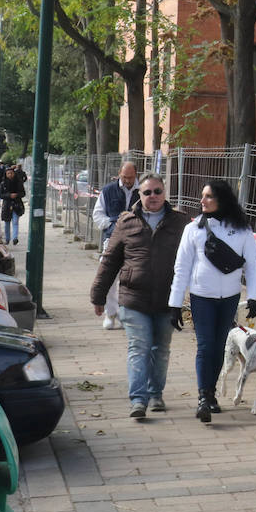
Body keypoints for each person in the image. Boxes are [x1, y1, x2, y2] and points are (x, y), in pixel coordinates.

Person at [90, 173, 190, 418]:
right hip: (133, 299)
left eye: (157, 191)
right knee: (139, 347)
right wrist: (98, 295)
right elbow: (110, 260)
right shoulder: (127, 222)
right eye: (147, 192)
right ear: (139, 195)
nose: (153, 196)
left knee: (161, 349)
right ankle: (138, 400)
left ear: (165, 194)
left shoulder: (181, 223)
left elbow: (194, 261)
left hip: (168, 300)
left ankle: (156, 394)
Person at [169, 179, 256, 423]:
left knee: (220, 345)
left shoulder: (242, 230)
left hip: (229, 298)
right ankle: (203, 396)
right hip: (202, 297)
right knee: (206, 346)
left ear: (222, 199)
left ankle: (210, 394)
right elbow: (181, 268)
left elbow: (253, 266)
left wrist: (254, 296)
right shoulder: (193, 230)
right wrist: (174, 303)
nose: (202, 201)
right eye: (202, 196)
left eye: (208, 196)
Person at [92, 161, 141, 330]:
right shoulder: (108, 191)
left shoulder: (143, 192)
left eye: (131, 177)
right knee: (109, 277)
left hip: (136, 242)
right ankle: (110, 313)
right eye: (125, 177)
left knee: (130, 279)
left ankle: (126, 314)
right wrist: (113, 225)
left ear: (136, 175)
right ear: (119, 174)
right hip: (112, 240)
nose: (127, 180)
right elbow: (97, 215)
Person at [0, 165, 26, 244]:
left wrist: (17, 195)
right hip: (7, 205)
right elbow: (0, 194)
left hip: (16, 204)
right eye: (8, 173)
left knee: (15, 221)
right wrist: (9, 195)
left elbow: (23, 193)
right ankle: (7, 238)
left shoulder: (18, 182)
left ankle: (15, 238)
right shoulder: (3, 183)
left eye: (11, 173)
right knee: (7, 223)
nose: (10, 175)